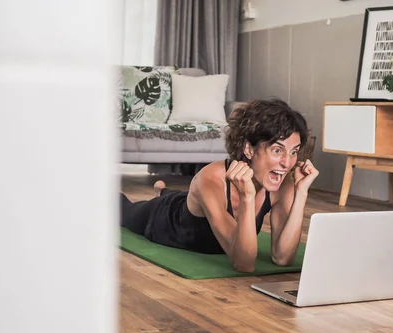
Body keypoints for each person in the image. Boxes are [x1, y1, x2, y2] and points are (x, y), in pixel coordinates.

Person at [120, 98, 319, 272]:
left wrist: (301, 193)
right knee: (123, 209)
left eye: (294, 152)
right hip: (163, 219)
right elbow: (244, 264)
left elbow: (283, 258)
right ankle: (158, 195)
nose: (287, 162)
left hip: (194, 202)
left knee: (184, 197)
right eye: (277, 150)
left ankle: (161, 190)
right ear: (249, 149)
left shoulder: (284, 183)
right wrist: (247, 197)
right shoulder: (210, 179)